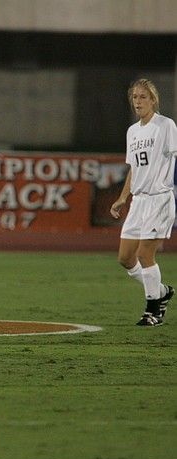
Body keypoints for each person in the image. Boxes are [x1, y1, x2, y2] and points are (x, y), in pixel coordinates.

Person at [110, 78, 176, 326]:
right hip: (138, 202)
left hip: (159, 199)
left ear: (153, 100)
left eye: (143, 97)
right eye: (135, 97)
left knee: (145, 254)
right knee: (126, 258)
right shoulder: (133, 131)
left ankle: (153, 311)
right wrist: (123, 197)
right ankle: (161, 291)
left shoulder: (165, 125)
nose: (138, 101)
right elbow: (134, 168)